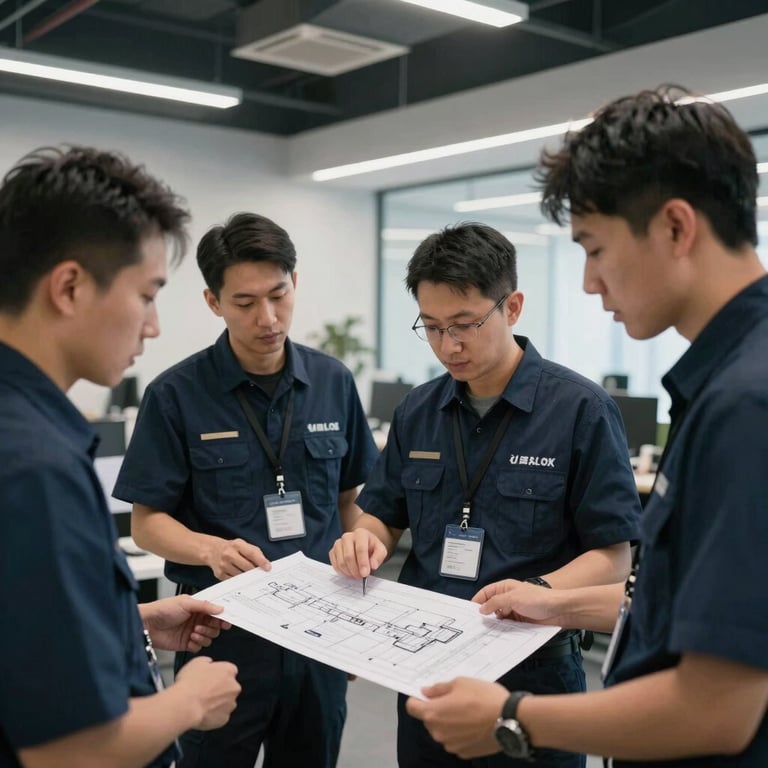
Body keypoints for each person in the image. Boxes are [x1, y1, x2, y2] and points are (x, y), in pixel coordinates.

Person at [405, 85, 768, 767]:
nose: (589, 284)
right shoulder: (730, 380)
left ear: (675, 228)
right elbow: (666, 599)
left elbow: (718, 708)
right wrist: (555, 605)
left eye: (595, 249)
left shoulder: (745, 405)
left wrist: (514, 717)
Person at [329, 221, 641, 767]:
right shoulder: (417, 410)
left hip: (533, 676)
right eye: (430, 327)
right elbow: (382, 515)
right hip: (426, 668)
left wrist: (537, 591)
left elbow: (614, 557)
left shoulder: (581, 411)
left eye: (465, 324)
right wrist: (362, 541)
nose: (449, 345)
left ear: (512, 307)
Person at [0, 146, 241, 768]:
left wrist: (127, 624)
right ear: (70, 287)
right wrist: (191, 699)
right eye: (146, 294)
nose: (154, 325)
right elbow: (69, 752)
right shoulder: (35, 466)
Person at [113, 211, 380, 768]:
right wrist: (209, 549)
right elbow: (147, 523)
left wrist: (363, 608)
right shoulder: (176, 395)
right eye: (244, 303)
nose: (267, 317)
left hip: (318, 638)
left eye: (278, 295)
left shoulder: (333, 382)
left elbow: (351, 502)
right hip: (221, 636)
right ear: (214, 302)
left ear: (295, 283)